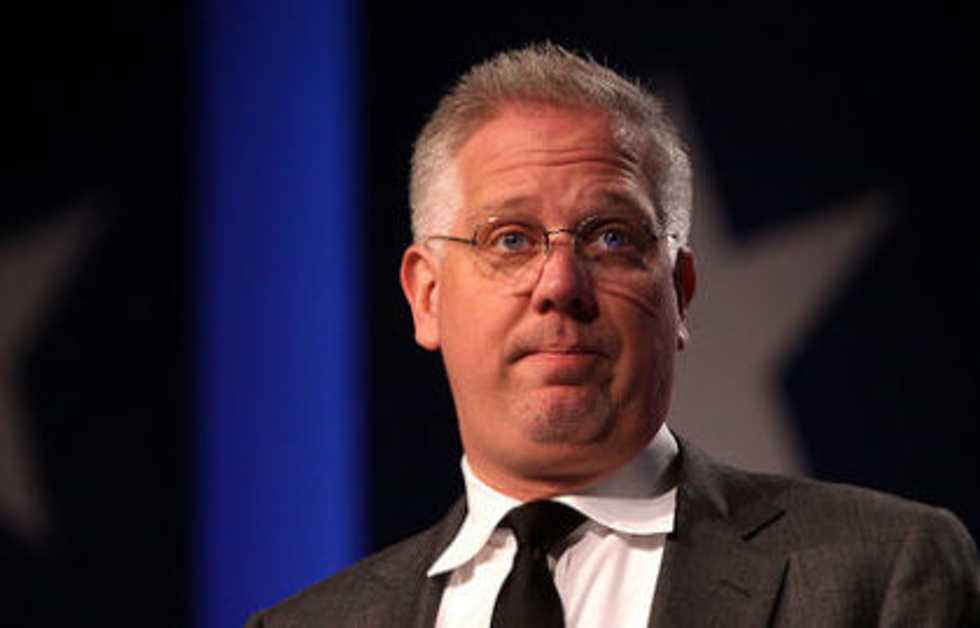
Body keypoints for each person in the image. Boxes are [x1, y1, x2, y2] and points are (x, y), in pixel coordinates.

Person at [247, 43, 979, 627]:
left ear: (679, 293)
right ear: (427, 296)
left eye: (610, 238)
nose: (561, 284)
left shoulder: (877, 573)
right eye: (510, 239)